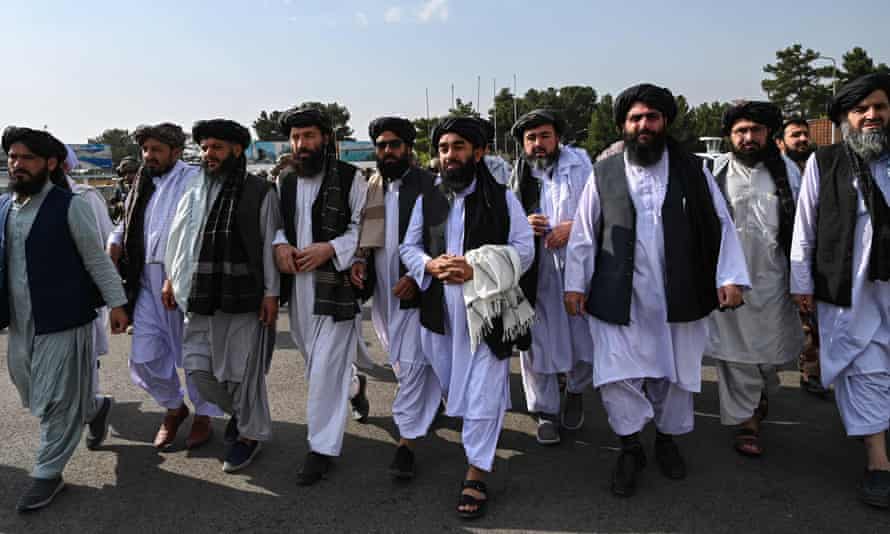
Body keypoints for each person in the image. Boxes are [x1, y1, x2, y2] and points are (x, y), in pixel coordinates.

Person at [564, 83, 749, 498]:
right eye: (635, 118)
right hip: (617, 295)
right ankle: (630, 447)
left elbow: (721, 225)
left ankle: (666, 440)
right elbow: (583, 234)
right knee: (616, 377)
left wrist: (730, 277)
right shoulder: (604, 172)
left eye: (651, 117)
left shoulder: (693, 170)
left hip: (678, 294)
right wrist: (574, 285)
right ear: (623, 125)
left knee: (676, 377)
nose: (643, 125)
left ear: (665, 122)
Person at [400, 117, 534, 518]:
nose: (450, 155)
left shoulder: (502, 198)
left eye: (459, 147)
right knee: (452, 383)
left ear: (478, 152)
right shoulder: (429, 198)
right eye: (443, 148)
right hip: (440, 317)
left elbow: (524, 249)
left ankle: (476, 472)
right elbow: (408, 248)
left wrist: (476, 268)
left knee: (482, 394)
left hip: (487, 315)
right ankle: (475, 439)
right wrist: (430, 264)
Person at [1, 127, 128, 511]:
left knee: (56, 401)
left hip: (64, 319)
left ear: (50, 163)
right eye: (12, 157)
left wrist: (117, 304)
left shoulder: (70, 205)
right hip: (21, 322)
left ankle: (47, 474)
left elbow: (96, 259)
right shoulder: (5, 206)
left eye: (26, 158)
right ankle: (94, 406)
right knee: (31, 388)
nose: (16, 165)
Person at [791, 73, 890, 508]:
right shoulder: (824, 161)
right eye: (861, 109)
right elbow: (805, 227)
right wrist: (802, 285)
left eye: (880, 107)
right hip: (848, 290)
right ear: (846, 117)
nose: (872, 116)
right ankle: (878, 462)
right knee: (865, 371)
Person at [163, 119, 282, 473]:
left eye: (216, 147)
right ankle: (245, 415)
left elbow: (268, 245)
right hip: (200, 296)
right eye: (204, 147)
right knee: (199, 373)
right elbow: (180, 240)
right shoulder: (195, 189)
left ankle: (249, 436)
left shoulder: (260, 191)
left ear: (236, 150)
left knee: (240, 373)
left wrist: (272, 293)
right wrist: (171, 278)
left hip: (243, 297)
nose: (208, 154)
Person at [108, 122, 222, 450]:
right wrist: (114, 243)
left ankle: (204, 415)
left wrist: (176, 275)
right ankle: (174, 407)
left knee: (196, 354)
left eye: (156, 150)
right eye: (145, 150)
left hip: (182, 279)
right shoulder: (142, 181)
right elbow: (125, 222)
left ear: (175, 151)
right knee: (143, 357)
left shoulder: (194, 179)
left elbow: (197, 231)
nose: (149, 156)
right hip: (145, 281)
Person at [272, 107, 369, 485]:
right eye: (296, 138)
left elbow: (361, 228)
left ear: (325, 138)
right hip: (298, 286)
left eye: (309, 136)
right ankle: (355, 386)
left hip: (337, 285)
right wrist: (281, 246)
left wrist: (330, 249)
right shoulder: (286, 181)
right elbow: (277, 226)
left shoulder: (351, 177)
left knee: (325, 367)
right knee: (316, 362)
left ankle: (321, 448)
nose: (301, 144)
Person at [707, 101, 804, 456]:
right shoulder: (715, 173)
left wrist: (802, 282)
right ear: (730, 136)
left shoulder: (790, 174)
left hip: (775, 281)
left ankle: (761, 394)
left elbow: (804, 228)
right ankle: (746, 421)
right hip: (730, 282)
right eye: (740, 131)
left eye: (755, 131)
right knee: (734, 354)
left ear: (768, 134)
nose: (748, 138)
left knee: (768, 355)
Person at [350, 117, 436, 479]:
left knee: (413, 362)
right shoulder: (371, 185)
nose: (388, 151)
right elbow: (361, 230)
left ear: (408, 148)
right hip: (383, 291)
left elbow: (441, 237)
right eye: (382, 145)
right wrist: (359, 259)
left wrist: (420, 276)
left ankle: (407, 441)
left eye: (394, 145)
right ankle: (425, 407)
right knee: (403, 358)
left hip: (417, 288)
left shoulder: (431, 185)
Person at [510, 108, 594, 444]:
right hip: (536, 274)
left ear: (558, 138)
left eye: (545, 136)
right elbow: (502, 220)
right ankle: (544, 409)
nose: (538, 144)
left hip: (578, 267)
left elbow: (603, 210)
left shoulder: (582, 166)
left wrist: (573, 228)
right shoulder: (516, 175)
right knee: (536, 343)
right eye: (531, 139)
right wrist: (523, 225)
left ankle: (575, 390)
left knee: (582, 337)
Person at [775, 118, 827, 396]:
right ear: (780, 142)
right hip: (783, 259)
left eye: (805, 134)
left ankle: (810, 372)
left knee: (810, 321)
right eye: (795, 135)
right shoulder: (775, 172)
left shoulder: (819, 168)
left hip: (812, 256)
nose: (803, 139)